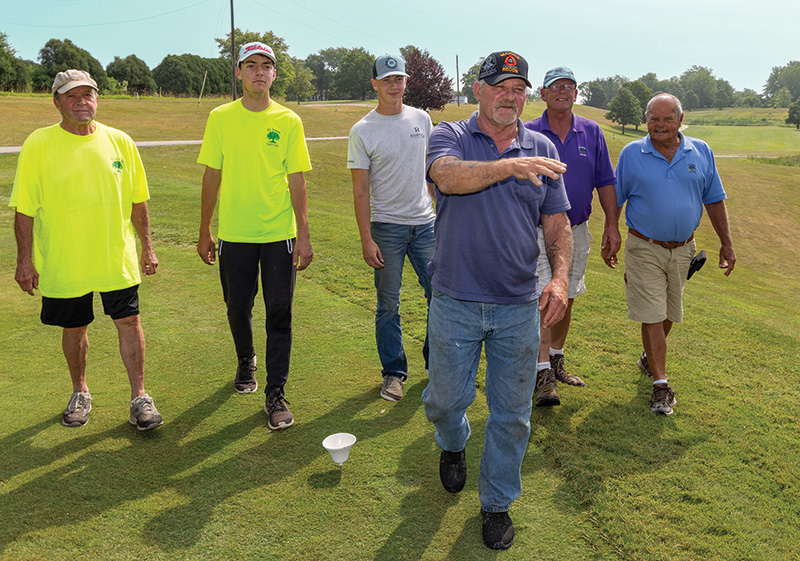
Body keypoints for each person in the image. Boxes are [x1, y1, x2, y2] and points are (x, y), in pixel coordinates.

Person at [421, 51, 572, 550]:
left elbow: (556, 223)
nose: (511, 96)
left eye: (519, 88)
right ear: (479, 90)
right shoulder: (451, 136)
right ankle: (453, 440)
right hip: (455, 299)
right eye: (501, 86)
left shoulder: (542, 147)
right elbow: (447, 177)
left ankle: (497, 502)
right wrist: (508, 168)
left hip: (516, 305)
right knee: (445, 400)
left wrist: (559, 279)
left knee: (512, 413)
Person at [10, 69, 163, 431]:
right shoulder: (38, 143)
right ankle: (80, 392)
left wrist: (148, 249)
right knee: (75, 327)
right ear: (57, 101)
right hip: (66, 258)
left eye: (88, 94)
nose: (82, 102)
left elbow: (138, 201)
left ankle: (140, 398)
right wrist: (24, 261)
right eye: (72, 96)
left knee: (129, 321)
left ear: (97, 98)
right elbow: (24, 209)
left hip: (115, 256)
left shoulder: (120, 141)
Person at [197, 42, 313, 430]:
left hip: (280, 234)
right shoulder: (220, 118)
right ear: (239, 73)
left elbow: (297, 181)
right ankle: (246, 359)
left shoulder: (288, 121)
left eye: (266, 66)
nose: (259, 72)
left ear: (274, 75)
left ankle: (275, 393)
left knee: (280, 315)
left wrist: (305, 236)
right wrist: (204, 231)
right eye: (251, 66)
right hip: (234, 233)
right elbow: (212, 175)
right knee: (237, 307)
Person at [615, 93, 735, 415]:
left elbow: (714, 199)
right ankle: (660, 386)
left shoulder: (701, 151)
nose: (660, 125)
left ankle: (648, 357)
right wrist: (610, 232)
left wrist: (727, 242)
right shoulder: (631, 154)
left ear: (681, 120)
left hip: (684, 250)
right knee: (652, 315)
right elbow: (615, 198)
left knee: (669, 313)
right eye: (654, 118)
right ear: (646, 121)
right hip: (644, 247)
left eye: (668, 118)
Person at [523, 67, 620, 407]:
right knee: (544, 297)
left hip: (578, 230)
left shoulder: (591, 131)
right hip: (537, 231)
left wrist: (612, 225)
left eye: (569, 86)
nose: (563, 91)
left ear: (576, 94)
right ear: (544, 94)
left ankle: (557, 358)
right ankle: (542, 370)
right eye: (555, 86)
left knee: (568, 295)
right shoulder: (529, 131)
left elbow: (605, 181)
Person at [347, 54, 435, 402]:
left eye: (398, 79)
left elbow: (431, 173)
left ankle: (437, 365)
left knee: (440, 296)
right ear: (375, 84)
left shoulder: (422, 119)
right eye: (386, 80)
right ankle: (394, 373)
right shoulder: (363, 130)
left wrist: (439, 215)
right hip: (387, 228)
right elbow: (360, 190)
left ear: (405, 81)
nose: (393, 85)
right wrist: (366, 238)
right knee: (388, 305)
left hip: (425, 225)